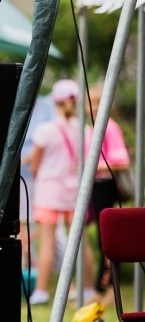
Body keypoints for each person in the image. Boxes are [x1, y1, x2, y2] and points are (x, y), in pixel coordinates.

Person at [29, 80, 94, 305]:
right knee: (81, 241)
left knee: (46, 243)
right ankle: (87, 289)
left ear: (55, 101)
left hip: (49, 192)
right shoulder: (85, 129)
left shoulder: (45, 130)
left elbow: (35, 166)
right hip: (75, 192)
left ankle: (41, 291)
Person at [84, 84, 131, 298]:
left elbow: (121, 161)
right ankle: (100, 286)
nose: (93, 107)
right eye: (90, 103)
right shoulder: (93, 127)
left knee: (107, 238)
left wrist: (92, 166)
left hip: (104, 185)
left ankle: (106, 287)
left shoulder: (109, 127)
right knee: (98, 237)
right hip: (95, 185)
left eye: (97, 102)